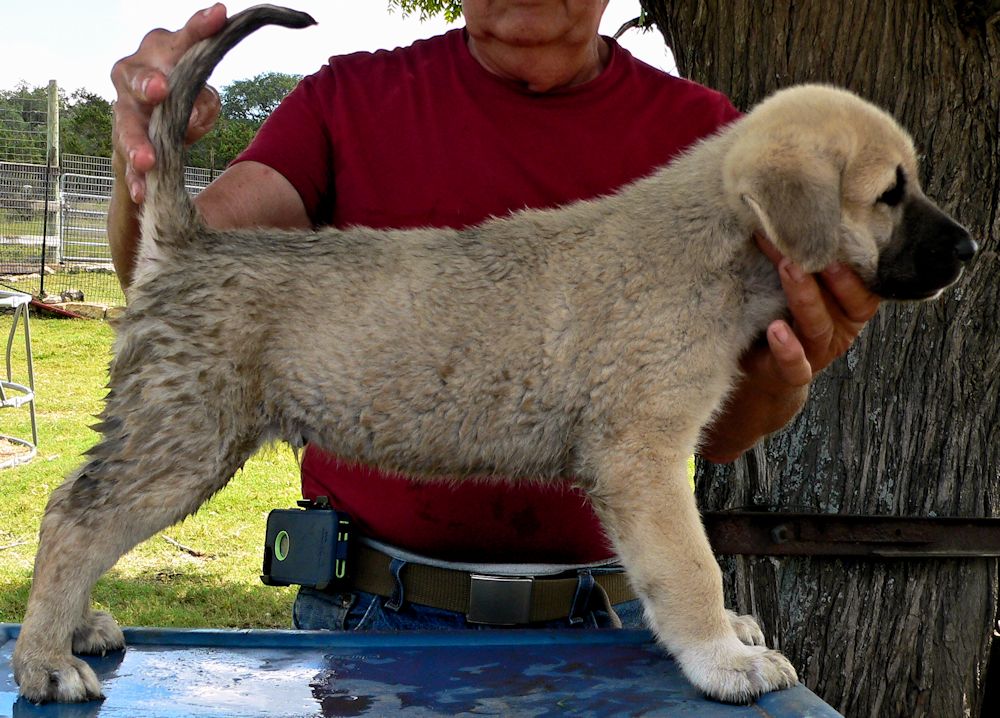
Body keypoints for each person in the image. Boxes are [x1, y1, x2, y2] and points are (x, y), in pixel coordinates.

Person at [108, 1, 880, 631]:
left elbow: (725, 433)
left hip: (613, 614)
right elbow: (188, 290)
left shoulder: (711, 146)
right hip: (372, 616)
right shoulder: (348, 98)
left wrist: (786, 375)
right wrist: (141, 152)